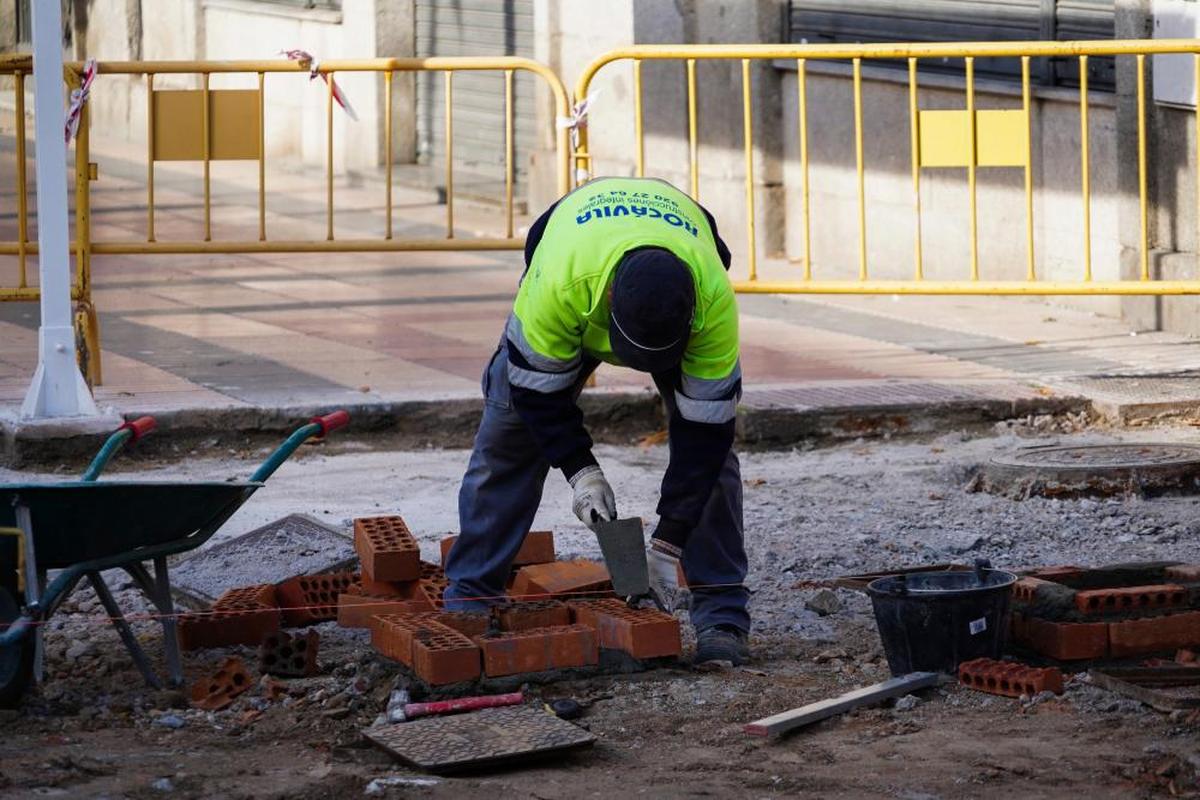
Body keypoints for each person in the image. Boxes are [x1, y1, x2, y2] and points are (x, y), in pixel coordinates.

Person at [443, 176, 749, 665]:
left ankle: (722, 616)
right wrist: (581, 472)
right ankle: (471, 598)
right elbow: (537, 398)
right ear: (608, 303)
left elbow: (706, 437)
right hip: (576, 266)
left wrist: (668, 543)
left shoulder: (712, 305)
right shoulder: (558, 284)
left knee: (714, 470)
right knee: (509, 435)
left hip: (674, 258)